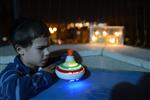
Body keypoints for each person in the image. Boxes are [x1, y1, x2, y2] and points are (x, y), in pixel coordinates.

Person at [0, 19, 57, 100]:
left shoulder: (42, 64)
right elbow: (16, 93)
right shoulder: (9, 72)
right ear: (20, 50)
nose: (47, 52)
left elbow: (64, 58)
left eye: (48, 47)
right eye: (41, 48)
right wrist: (45, 74)